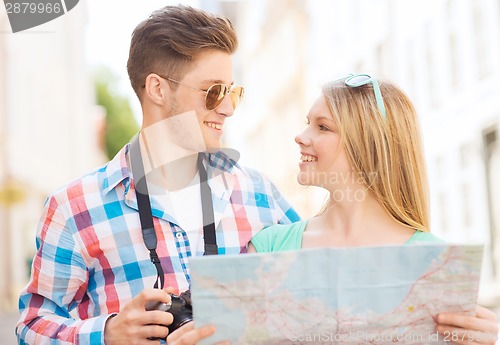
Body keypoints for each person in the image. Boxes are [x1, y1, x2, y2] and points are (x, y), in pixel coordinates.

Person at [16, 5, 299, 345]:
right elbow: (32, 325)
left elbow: (319, 292)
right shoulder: (72, 208)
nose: (227, 108)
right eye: (213, 91)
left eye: (233, 92)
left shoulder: (259, 193)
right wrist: (107, 333)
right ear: (158, 89)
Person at [247, 74, 499, 344]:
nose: (300, 137)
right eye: (308, 124)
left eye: (323, 127)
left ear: (367, 144)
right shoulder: (267, 248)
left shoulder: (436, 263)